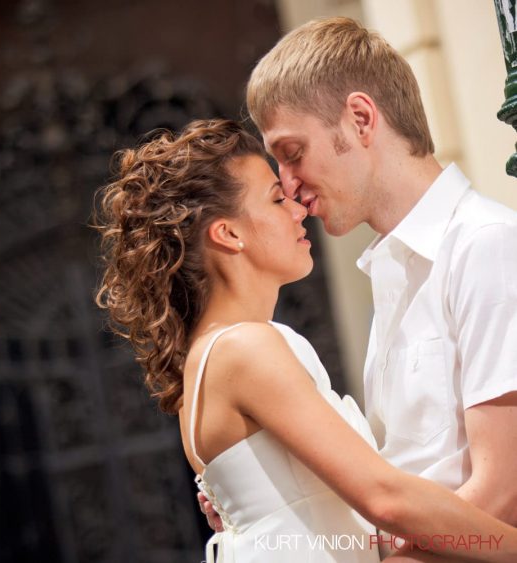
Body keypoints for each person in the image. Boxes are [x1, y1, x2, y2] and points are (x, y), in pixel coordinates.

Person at [95, 119, 517, 562]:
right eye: (277, 199)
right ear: (229, 234)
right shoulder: (245, 349)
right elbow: (385, 498)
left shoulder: (215, 354)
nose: (298, 209)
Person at [198, 17, 517, 556]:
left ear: (361, 119)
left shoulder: (486, 246)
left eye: (293, 153)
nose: (290, 186)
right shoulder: (393, 271)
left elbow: (499, 495)